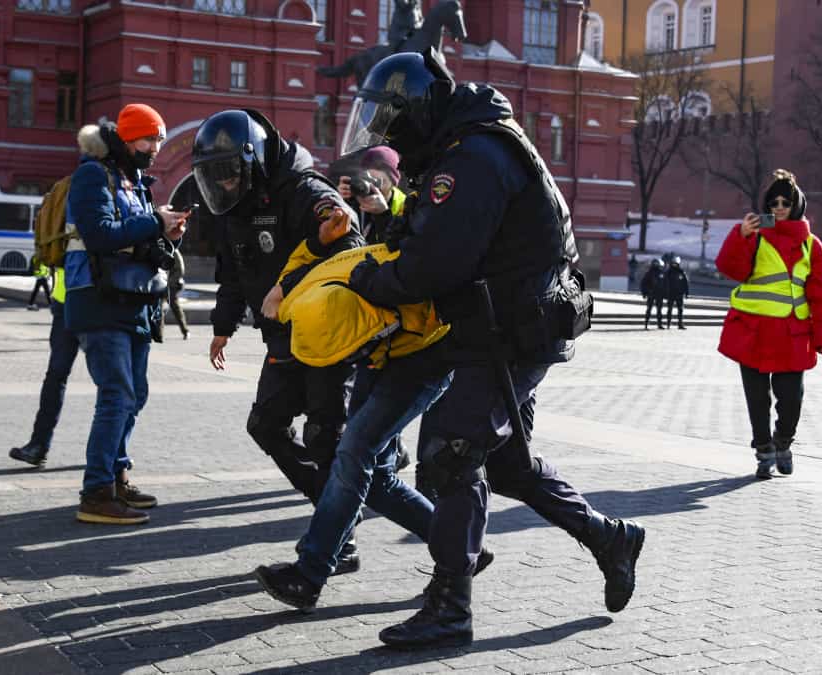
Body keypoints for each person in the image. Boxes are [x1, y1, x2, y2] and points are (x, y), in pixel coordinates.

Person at [335, 51, 645, 649]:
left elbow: (436, 263)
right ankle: (611, 538)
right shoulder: (460, 147)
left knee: (452, 453)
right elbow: (429, 233)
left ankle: (450, 605)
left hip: (512, 332)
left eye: (390, 123)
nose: (387, 137)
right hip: (503, 327)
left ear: (416, 110)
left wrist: (369, 281)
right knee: (507, 465)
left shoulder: (473, 156)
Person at [253, 231, 495, 612]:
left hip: (423, 359)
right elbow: (306, 268)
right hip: (381, 355)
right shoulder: (314, 292)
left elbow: (432, 295)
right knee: (378, 480)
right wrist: (282, 288)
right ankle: (462, 551)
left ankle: (309, 574)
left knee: (354, 451)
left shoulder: (401, 304)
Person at [195, 108, 368, 570]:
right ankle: (332, 507)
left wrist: (287, 287)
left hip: (327, 335)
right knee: (266, 426)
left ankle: (339, 537)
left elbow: (349, 248)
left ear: (252, 160)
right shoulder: (235, 207)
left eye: (230, 175)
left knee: (325, 436)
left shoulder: (305, 191)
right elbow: (234, 272)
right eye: (217, 178)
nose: (225, 185)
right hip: (282, 337)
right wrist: (222, 326)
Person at [64, 103, 188, 524]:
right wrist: (155, 221)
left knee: (135, 393)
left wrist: (168, 233)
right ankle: (96, 492)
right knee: (116, 395)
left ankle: (117, 476)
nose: (156, 148)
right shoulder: (92, 175)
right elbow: (100, 235)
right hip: (98, 299)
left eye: (160, 140)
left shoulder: (134, 182)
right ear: (127, 137)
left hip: (134, 300)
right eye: (149, 139)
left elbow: (138, 240)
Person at [716, 169, 822, 479]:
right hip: (753, 333)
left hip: (792, 335)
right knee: (757, 401)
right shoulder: (754, 236)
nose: (780, 207)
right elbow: (731, 269)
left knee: (791, 400)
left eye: (786, 202)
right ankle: (763, 452)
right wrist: (740, 236)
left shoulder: (811, 245)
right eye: (774, 203)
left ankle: (783, 442)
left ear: (797, 205)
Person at [336, 144, 413, 474]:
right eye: (366, 177)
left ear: (393, 179)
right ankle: (384, 454)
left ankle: (381, 459)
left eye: (378, 178)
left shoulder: (404, 206)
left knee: (378, 396)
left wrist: (381, 213)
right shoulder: (355, 204)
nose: (371, 185)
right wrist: (340, 201)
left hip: (393, 316)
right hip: (359, 310)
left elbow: (400, 253)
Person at [10, 267, 78, 467]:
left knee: (109, 381)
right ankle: (38, 445)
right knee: (55, 376)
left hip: (98, 304)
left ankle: (112, 452)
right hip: (65, 303)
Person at [166, 248, 189, 339]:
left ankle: (185, 331)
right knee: (158, 308)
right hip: (161, 283)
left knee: (175, 307)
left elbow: (180, 269)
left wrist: (169, 281)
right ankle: (158, 334)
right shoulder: (160, 247)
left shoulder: (173, 250)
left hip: (171, 285)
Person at [640, 257, 666, 329]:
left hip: (659, 294)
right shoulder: (649, 273)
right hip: (651, 293)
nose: (656, 265)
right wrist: (645, 292)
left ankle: (659, 324)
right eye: (655, 264)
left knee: (659, 310)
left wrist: (666, 294)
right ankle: (646, 324)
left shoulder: (662, 273)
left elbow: (665, 284)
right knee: (649, 309)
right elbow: (643, 284)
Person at [665, 255, 689, 329]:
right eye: (673, 263)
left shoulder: (681, 272)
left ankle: (680, 324)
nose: (674, 265)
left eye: (676, 264)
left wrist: (686, 292)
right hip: (671, 293)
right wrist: (664, 292)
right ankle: (668, 323)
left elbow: (685, 283)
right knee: (670, 309)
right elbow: (664, 283)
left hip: (679, 294)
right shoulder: (668, 272)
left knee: (680, 309)